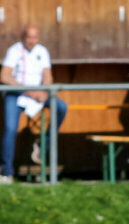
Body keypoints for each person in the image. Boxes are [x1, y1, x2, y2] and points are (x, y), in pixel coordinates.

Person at [0, 25, 68, 184]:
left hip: (39, 94)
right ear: (23, 38)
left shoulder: (42, 52)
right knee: (10, 129)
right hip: (17, 93)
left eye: (35, 37)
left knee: (61, 107)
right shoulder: (14, 51)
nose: (32, 41)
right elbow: (4, 76)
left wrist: (44, 91)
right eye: (29, 37)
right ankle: (6, 171)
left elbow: (47, 76)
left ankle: (43, 144)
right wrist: (30, 92)